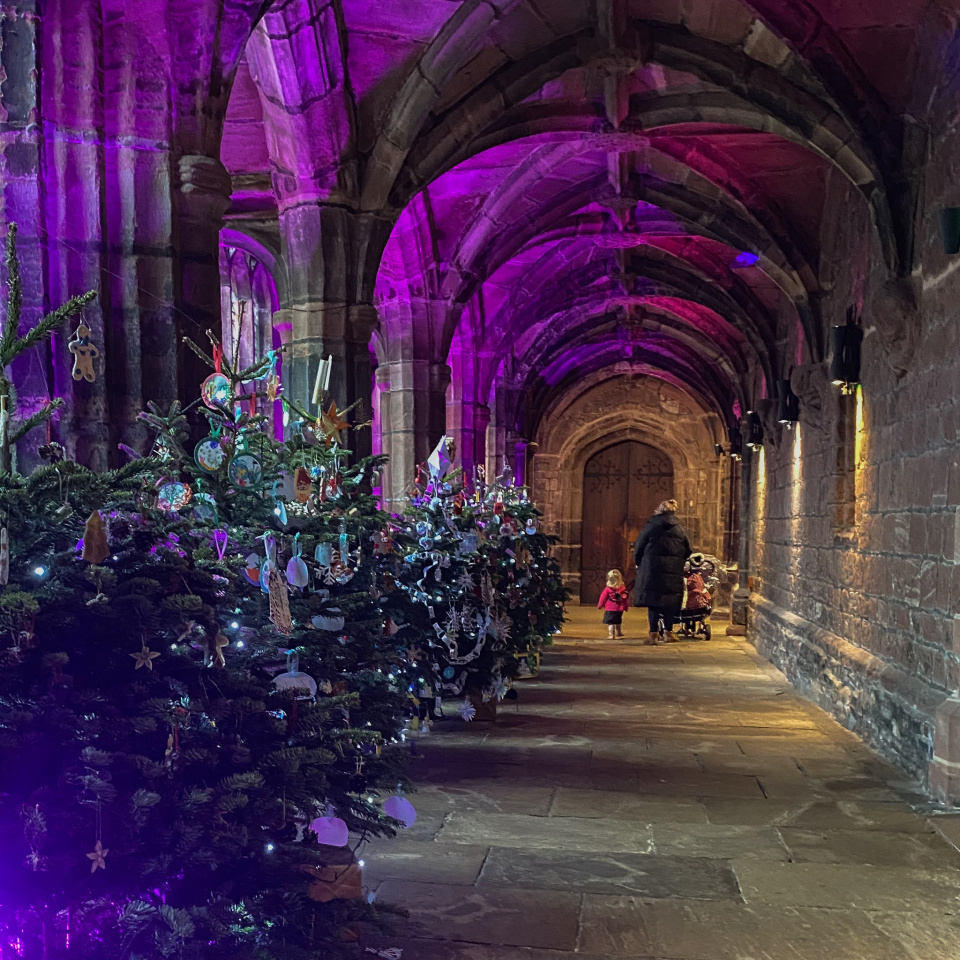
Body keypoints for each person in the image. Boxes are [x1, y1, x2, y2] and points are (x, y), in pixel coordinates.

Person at [632, 499, 692, 645]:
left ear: (659, 510)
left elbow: (638, 546)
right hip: (673, 570)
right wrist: (678, 562)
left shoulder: (651, 527)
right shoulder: (680, 528)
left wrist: (640, 563)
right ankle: (668, 633)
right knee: (670, 601)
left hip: (652, 570)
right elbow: (688, 549)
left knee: (653, 601)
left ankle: (653, 634)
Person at [597, 569, 629, 639]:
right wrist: (626, 607)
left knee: (611, 623)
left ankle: (611, 635)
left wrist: (600, 605)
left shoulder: (607, 589)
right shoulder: (623, 589)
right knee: (618, 621)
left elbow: (603, 598)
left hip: (610, 608)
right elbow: (625, 599)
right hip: (619, 609)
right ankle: (619, 632)